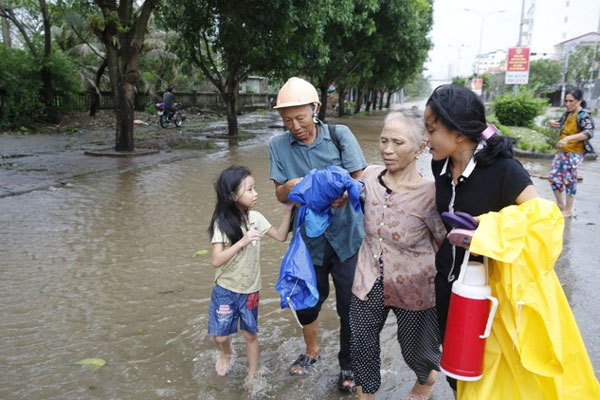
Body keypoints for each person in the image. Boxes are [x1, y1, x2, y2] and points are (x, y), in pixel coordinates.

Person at [423, 85, 537, 394]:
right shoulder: (440, 165)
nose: (426, 137)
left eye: (431, 129)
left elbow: (540, 220)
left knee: (488, 371)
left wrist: (487, 229)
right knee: (455, 368)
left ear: (458, 133)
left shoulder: (505, 171)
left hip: (489, 294)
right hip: (448, 284)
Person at [268, 77, 367, 392]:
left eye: (300, 117)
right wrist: (294, 186)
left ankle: (348, 364)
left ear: (316, 109)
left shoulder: (340, 136)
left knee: (350, 304)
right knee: (306, 302)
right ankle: (311, 351)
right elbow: (281, 195)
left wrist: (344, 194)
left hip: (348, 237)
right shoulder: (278, 145)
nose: (295, 126)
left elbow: (360, 180)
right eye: (287, 120)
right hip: (308, 244)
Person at [350, 110, 447, 400]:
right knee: (362, 344)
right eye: (383, 141)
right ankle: (365, 393)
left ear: (420, 148)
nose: (388, 149)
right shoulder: (367, 177)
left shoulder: (431, 194)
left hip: (415, 285)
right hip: (368, 278)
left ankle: (425, 384)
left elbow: (443, 242)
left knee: (417, 349)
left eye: (398, 143)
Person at [207, 165, 294, 380]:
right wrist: (242, 241)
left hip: (250, 291)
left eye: (254, 188)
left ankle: (253, 373)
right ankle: (226, 352)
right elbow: (216, 260)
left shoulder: (256, 217)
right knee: (220, 337)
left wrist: (288, 211)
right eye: (250, 190)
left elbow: (281, 236)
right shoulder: (222, 223)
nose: (256, 194)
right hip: (226, 289)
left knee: (250, 334)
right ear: (232, 195)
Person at [548, 87, 594, 217]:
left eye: (571, 101)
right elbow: (560, 124)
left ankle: (568, 209)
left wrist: (569, 138)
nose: (568, 104)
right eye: (566, 101)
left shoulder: (584, 115)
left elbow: (588, 132)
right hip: (561, 151)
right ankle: (561, 205)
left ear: (580, 101)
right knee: (553, 178)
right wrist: (553, 123)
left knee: (569, 180)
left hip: (575, 153)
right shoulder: (567, 114)